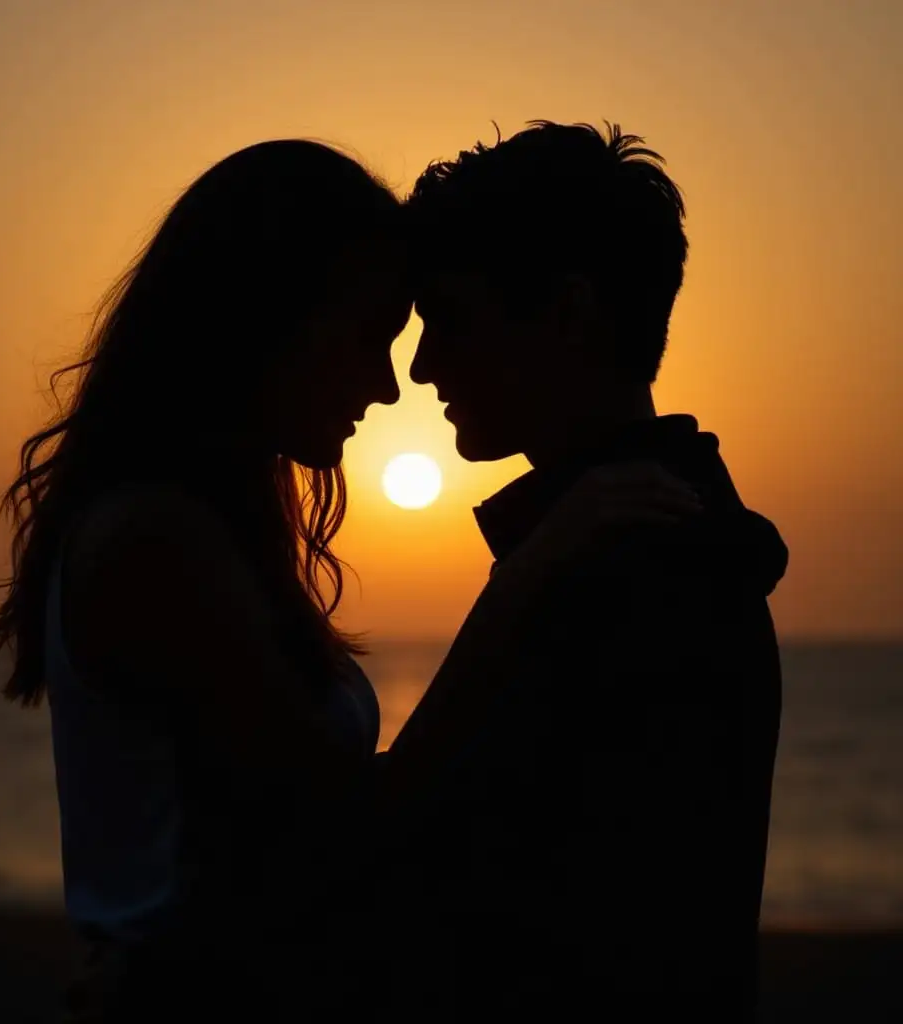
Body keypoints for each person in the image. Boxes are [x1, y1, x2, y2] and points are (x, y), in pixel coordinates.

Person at [0, 135, 703, 1021]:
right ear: (267, 321)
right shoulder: (152, 542)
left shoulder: (204, 530)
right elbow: (348, 829)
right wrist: (522, 585)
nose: (393, 385)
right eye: (371, 337)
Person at [385, 121, 788, 1021]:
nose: (420, 365)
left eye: (448, 319)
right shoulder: (621, 547)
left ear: (567, 314)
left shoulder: (639, 577)